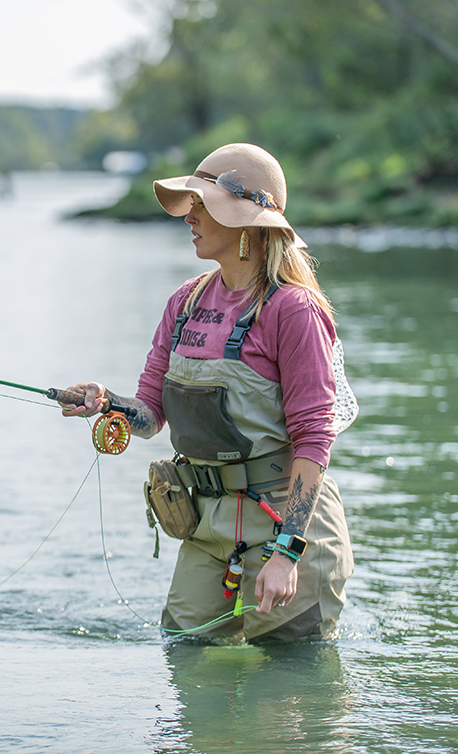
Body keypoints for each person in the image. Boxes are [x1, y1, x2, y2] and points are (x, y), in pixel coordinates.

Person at [61, 142, 356, 643]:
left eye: (201, 204)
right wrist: (108, 402)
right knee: (183, 655)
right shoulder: (185, 301)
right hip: (207, 524)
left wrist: (287, 553)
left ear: (243, 221)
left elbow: (313, 442)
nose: (188, 216)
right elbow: (151, 414)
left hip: (288, 526)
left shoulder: (295, 311)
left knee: (288, 693)